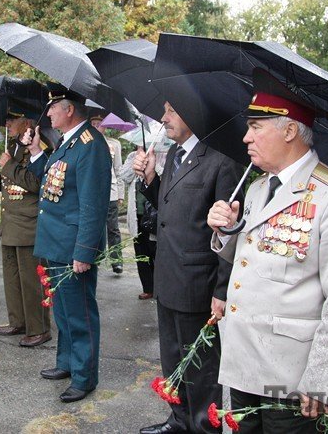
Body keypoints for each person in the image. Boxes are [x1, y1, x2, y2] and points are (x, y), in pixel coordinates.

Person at [207, 68, 328, 433]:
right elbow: (251, 261)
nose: (246, 137)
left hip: (291, 376)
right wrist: (225, 230)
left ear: (289, 130)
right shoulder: (256, 189)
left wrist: (321, 380)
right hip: (243, 363)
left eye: (256, 126)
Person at [133, 102, 243, 434]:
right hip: (168, 278)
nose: (163, 118)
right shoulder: (176, 156)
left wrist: (222, 291)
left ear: (193, 114)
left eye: (171, 111)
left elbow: (227, 232)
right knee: (173, 359)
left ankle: (204, 428)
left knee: (200, 367)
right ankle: (179, 420)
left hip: (198, 283)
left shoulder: (221, 160)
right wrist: (151, 178)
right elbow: (171, 212)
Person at [27, 87, 111, 404]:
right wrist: (36, 152)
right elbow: (53, 182)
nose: (48, 114)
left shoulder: (91, 145)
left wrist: (84, 251)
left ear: (69, 110)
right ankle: (67, 363)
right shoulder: (69, 142)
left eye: (53, 109)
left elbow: (93, 204)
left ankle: (85, 377)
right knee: (62, 311)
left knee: (80, 314)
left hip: (72, 246)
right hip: (55, 242)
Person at [0, 110, 52, 346]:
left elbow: (36, 183)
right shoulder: (12, 146)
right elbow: (13, 181)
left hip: (28, 223)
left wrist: (9, 166)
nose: (7, 123)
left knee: (32, 280)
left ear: (28, 121)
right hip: (10, 221)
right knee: (12, 277)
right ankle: (18, 320)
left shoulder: (40, 145)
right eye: (6, 119)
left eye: (12, 119)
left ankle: (39, 327)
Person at [118, 149, 166, 299]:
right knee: (141, 253)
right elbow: (124, 176)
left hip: (154, 215)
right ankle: (148, 288)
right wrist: (136, 163)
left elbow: (166, 177)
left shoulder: (163, 155)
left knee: (156, 253)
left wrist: (152, 166)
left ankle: (160, 289)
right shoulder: (133, 156)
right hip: (136, 214)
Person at [90, 114, 125, 273]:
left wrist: (120, 194)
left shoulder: (114, 144)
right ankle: (95, 257)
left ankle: (117, 260)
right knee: (93, 227)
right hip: (92, 192)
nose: (97, 127)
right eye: (94, 124)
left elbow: (119, 170)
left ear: (106, 126)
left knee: (113, 228)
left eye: (100, 124)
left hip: (110, 192)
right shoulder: (86, 142)